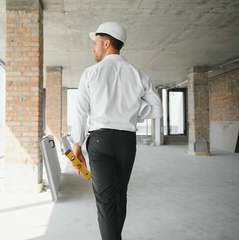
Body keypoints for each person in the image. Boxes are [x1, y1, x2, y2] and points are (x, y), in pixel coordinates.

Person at [70, 22, 163, 240]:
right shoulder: (137, 73)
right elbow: (156, 109)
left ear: (107, 42)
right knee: (120, 196)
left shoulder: (91, 73)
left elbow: (80, 112)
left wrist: (77, 144)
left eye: (95, 43)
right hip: (126, 143)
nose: (93, 48)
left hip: (100, 141)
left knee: (105, 201)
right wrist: (132, 112)